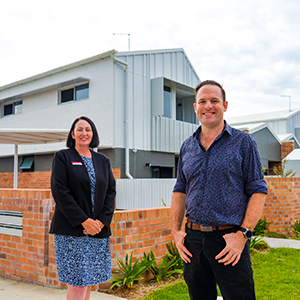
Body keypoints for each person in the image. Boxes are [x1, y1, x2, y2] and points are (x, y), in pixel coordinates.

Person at [171, 80, 268, 300]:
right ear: (195, 107)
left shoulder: (244, 143)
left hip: (229, 240)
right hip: (193, 241)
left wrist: (243, 234)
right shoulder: (187, 146)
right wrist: (175, 232)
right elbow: (180, 189)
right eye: (202, 101)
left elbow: (258, 190)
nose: (208, 106)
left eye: (214, 101)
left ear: (225, 105)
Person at [50, 116, 116, 300]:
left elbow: (111, 192)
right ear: (72, 134)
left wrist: (101, 222)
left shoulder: (103, 160)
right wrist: (84, 221)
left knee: (89, 283)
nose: (83, 133)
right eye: (79, 129)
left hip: (97, 231)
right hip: (72, 232)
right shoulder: (63, 157)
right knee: (78, 285)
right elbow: (60, 192)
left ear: (93, 133)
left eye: (87, 129)